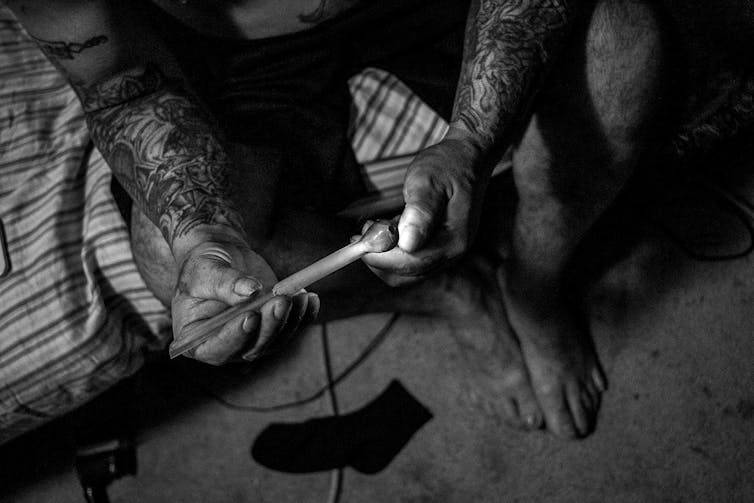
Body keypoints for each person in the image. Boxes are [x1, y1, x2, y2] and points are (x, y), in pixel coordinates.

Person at [6, 0, 752, 440]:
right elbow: (118, 80)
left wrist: (473, 134)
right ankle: (442, 294)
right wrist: (206, 230)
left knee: (626, 47)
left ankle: (534, 283)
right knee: (170, 256)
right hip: (227, 48)